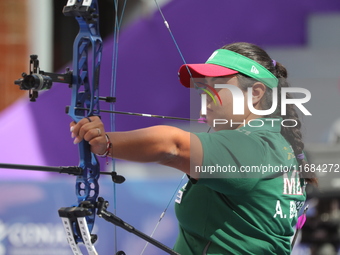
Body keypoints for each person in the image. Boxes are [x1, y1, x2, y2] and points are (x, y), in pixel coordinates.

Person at [70, 42, 317, 255]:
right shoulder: (276, 144)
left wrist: (106, 143)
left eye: (216, 85)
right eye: (203, 87)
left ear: (255, 93)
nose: (205, 95)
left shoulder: (253, 145)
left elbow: (173, 146)